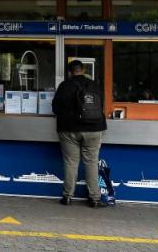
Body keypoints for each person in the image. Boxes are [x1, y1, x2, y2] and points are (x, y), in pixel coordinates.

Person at [52, 60, 107, 208]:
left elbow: (55, 109)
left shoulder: (64, 86)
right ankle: (95, 198)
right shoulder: (94, 85)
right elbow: (102, 106)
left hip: (69, 130)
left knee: (71, 163)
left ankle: (68, 197)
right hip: (94, 129)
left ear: (70, 72)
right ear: (83, 70)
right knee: (91, 163)